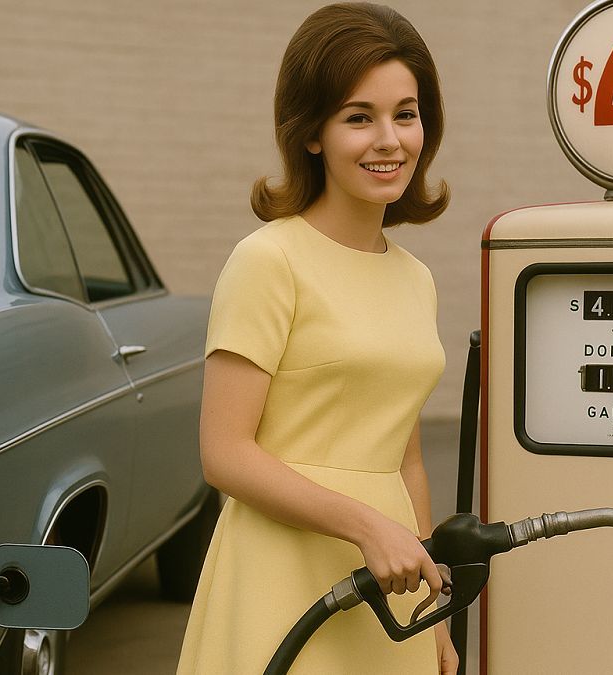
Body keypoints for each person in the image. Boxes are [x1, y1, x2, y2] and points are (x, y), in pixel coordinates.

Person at [177, 3, 456, 673]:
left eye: (406, 114)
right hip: (281, 573)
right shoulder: (269, 261)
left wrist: (433, 612)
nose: (389, 140)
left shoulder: (416, 279)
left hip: (389, 584)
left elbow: (406, 458)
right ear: (312, 134)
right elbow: (225, 453)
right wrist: (366, 525)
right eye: (358, 117)